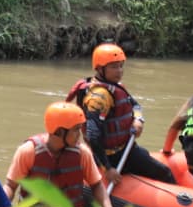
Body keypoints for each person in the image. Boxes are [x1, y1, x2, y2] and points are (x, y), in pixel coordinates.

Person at [66, 42, 176, 186]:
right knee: (165, 174)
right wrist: (108, 168)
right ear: (100, 69)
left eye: (121, 66)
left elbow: (135, 105)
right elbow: (93, 136)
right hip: (111, 157)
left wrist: (138, 120)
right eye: (114, 67)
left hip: (126, 148)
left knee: (148, 159)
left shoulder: (116, 87)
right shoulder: (99, 98)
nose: (119, 71)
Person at [4, 101, 116, 207]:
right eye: (76, 129)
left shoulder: (83, 153)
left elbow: (96, 185)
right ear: (59, 132)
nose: (80, 135)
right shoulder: (28, 151)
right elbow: (11, 186)